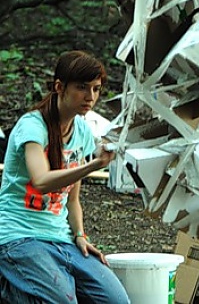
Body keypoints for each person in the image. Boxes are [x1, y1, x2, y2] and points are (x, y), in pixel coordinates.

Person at [0, 50, 130, 304]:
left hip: (61, 239)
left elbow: (72, 200)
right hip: (18, 236)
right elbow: (41, 180)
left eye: (96, 89)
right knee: (63, 300)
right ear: (60, 87)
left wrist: (80, 235)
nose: (90, 97)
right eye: (82, 88)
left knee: (115, 300)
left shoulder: (81, 129)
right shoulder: (32, 126)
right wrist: (92, 166)